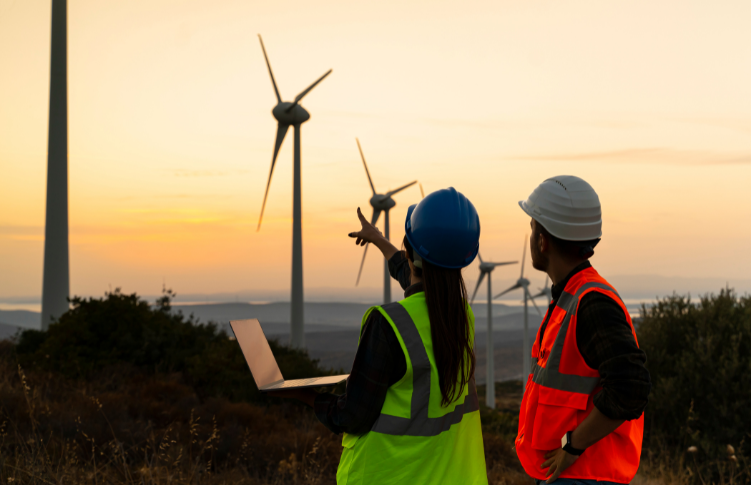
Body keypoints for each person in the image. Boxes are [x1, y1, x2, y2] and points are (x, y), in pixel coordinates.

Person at [271, 187, 488, 485]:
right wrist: (380, 241)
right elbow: (419, 278)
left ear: (412, 256)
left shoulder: (388, 325)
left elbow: (352, 415)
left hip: (389, 475)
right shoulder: (462, 316)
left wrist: (303, 394)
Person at [514, 175, 651, 484]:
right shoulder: (574, 296)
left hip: (586, 474)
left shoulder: (592, 304)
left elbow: (631, 387)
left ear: (542, 240)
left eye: (533, 227)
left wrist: (573, 447)